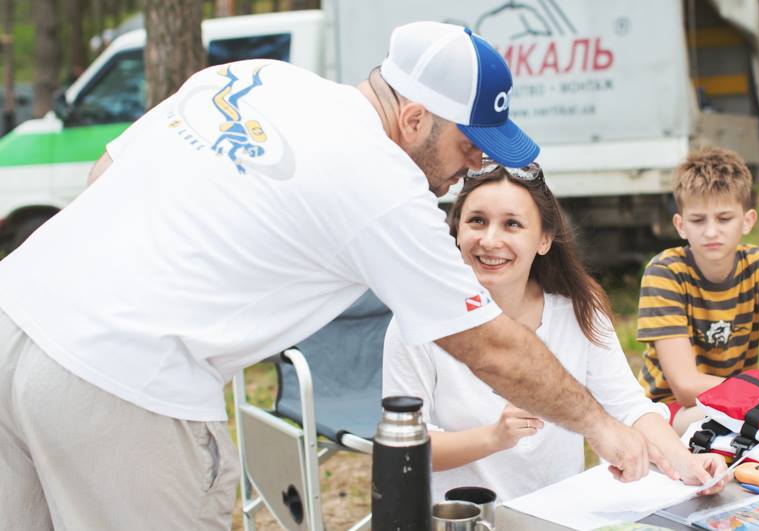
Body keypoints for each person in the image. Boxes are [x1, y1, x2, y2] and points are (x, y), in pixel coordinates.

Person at [0, 22, 660, 530]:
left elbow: (106, 174)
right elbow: (489, 345)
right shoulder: (383, 182)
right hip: (125, 379)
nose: (474, 166)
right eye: (469, 146)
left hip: (17, 312)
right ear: (414, 119)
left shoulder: (259, 77)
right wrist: (603, 429)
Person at [382, 159, 728, 502]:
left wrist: (687, 464)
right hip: (461, 521)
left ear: (544, 239)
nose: (489, 239)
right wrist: (494, 437)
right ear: (457, 230)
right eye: (477, 221)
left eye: (512, 224)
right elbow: (406, 449)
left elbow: (628, 407)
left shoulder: (578, 309)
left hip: (559, 516)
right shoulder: (419, 320)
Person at [637, 147, 759, 434]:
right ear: (680, 226)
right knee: (717, 419)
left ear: (748, 221)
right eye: (698, 220)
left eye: (724, 218)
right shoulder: (665, 272)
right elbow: (685, 386)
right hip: (669, 412)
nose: (711, 231)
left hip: (738, 402)